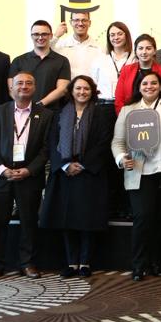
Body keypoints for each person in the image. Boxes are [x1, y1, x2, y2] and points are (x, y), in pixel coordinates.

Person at [0, 71, 55, 280]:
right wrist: (2, 169)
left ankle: (27, 263)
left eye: (28, 83)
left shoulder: (46, 115)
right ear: (11, 88)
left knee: (29, 221)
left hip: (29, 177)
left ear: (34, 88)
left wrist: (29, 170)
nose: (24, 86)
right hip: (1, 176)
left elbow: (46, 148)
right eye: (19, 83)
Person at [40, 75, 113, 278]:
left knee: (87, 221)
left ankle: (85, 263)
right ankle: (71, 262)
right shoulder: (58, 114)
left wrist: (83, 165)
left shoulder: (101, 114)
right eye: (78, 88)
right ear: (71, 91)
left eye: (86, 89)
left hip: (89, 174)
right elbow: (51, 142)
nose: (82, 92)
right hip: (64, 174)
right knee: (67, 220)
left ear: (92, 91)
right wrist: (64, 165)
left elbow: (104, 143)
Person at [112, 70, 161, 281]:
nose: (150, 86)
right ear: (138, 87)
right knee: (143, 218)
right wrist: (122, 158)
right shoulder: (128, 110)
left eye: (154, 83)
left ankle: (157, 264)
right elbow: (117, 142)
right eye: (145, 83)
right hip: (140, 172)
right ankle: (139, 265)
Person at [10, 20, 71, 109]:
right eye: (36, 34)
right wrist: (26, 106)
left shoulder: (62, 61)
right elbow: (12, 88)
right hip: (23, 111)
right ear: (31, 36)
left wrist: (39, 105)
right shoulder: (18, 61)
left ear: (51, 36)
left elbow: (62, 89)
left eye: (44, 34)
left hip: (52, 112)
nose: (40, 37)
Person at [114, 34, 161, 114]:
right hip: (129, 114)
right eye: (140, 48)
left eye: (148, 48)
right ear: (135, 51)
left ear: (154, 51)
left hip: (156, 115)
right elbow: (119, 99)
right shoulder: (126, 70)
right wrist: (124, 116)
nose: (144, 52)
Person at [89, 21, 134, 107]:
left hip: (128, 105)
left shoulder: (135, 59)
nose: (116, 38)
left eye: (120, 34)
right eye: (112, 35)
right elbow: (93, 84)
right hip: (104, 105)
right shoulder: (100, 59)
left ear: (126, 35)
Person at [52, 9, 102, 78]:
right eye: (76, 20)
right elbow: (43, 53)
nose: (80, 23)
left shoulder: (99, 48)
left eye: (84, 20)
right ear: (71, 22)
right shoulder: (61, 45)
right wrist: (56, 36)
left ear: (89, 23)